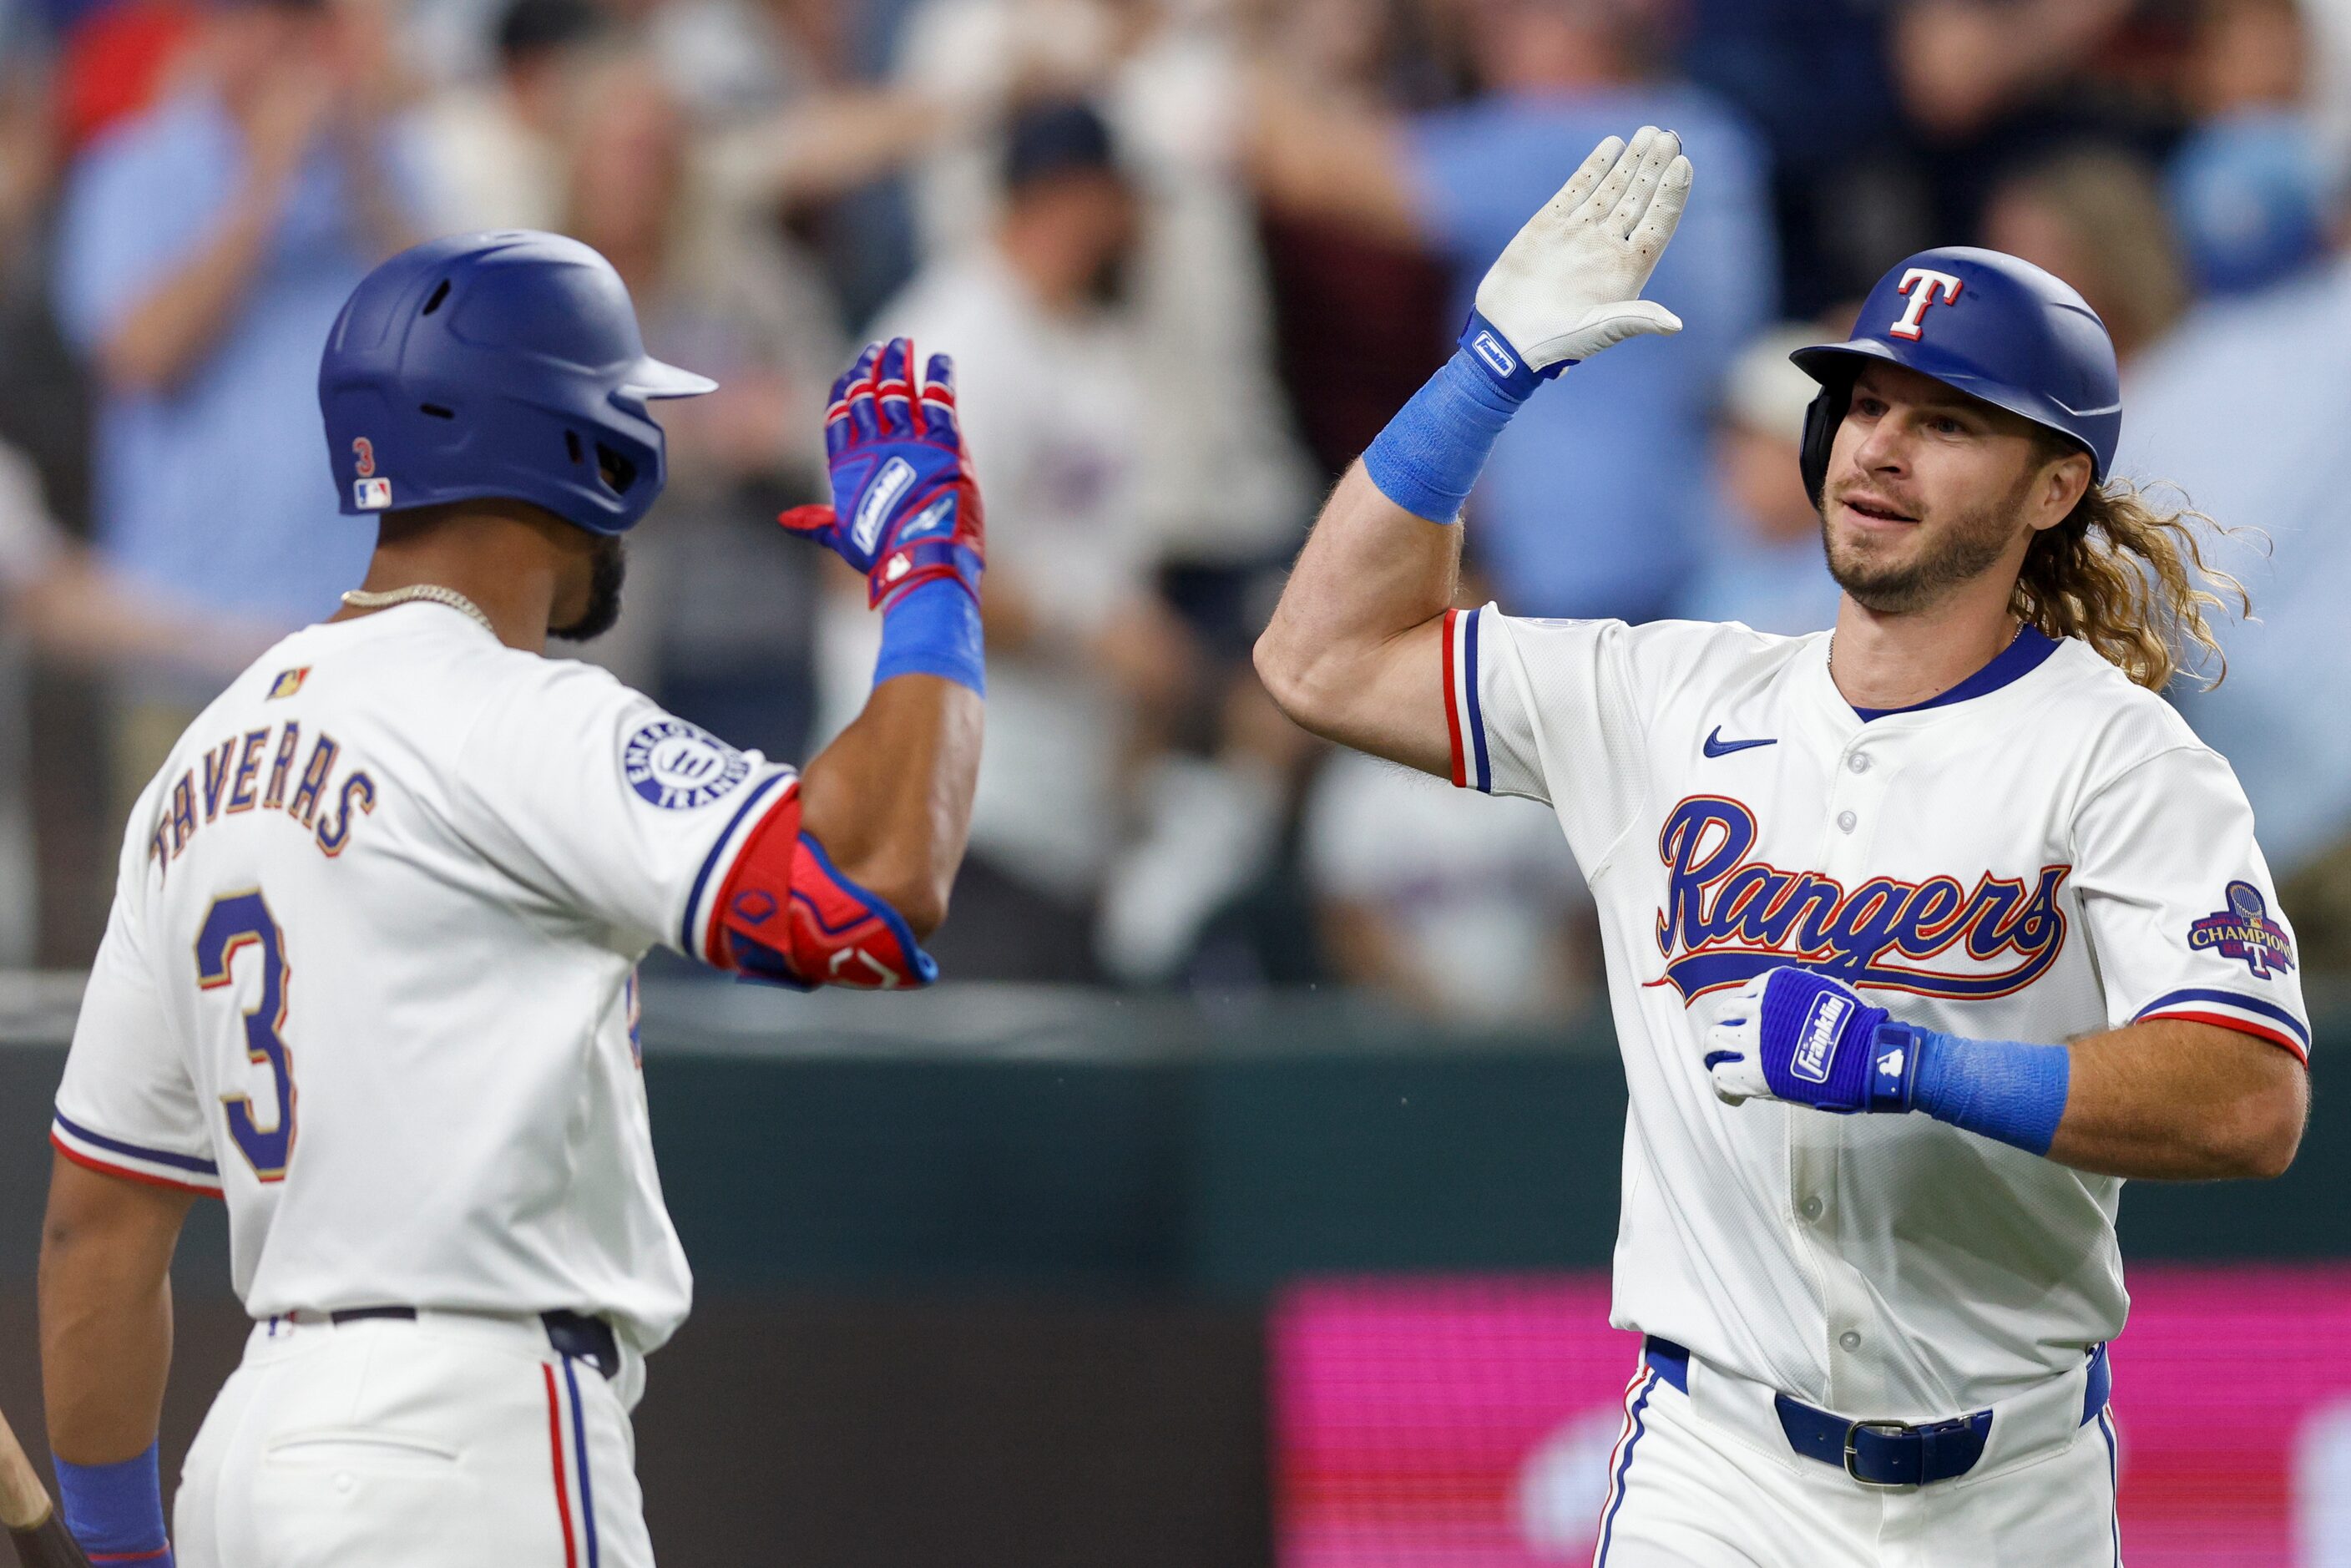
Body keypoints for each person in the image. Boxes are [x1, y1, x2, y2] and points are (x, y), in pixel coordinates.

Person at [1256, 128, 2308, 1561]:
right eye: (1864, 402)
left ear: (2052, 486)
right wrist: (1489, 370)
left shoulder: (2119, 756)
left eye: (1946, 420)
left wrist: (1915, 1061)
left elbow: (2249, 1100)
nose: (1878, 445)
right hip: (1720, 1468)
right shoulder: (1668, 694)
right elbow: (1317, 658)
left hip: (2011, 1489)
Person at [37, 233, 985, 1567]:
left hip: (247, 1465)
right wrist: (927, 577)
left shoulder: (199, 763)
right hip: (467, 1443)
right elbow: (876, 878)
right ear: (582, 443)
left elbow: (98, 1227)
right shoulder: (511, 716)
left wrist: (120, 1548)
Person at [1676, 324, 1844, 635]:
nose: (1728, 457)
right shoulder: (1720, 561)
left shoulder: (1856, 582)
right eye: (1731, 434)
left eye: (1754, 441)